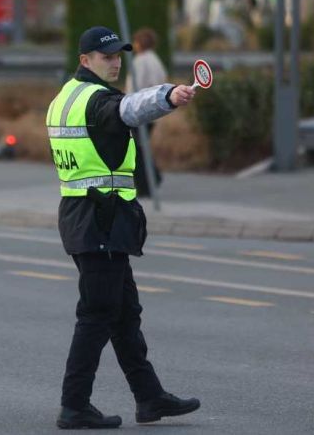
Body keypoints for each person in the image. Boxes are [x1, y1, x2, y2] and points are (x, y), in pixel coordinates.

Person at [48, 26, 200, 429]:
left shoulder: (65, 97)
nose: (115, 61)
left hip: (90, 218)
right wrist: (168, 95)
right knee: (98, 314)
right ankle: (74, 405)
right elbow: (129, 109)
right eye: (106, 56)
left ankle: (150, 398)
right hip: (100, 218)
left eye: (118, 55)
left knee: (123, 313)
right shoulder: (98, 101)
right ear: (85, 60)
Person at [127, 28, 168, 197]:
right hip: (152, 110)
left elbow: (135, 85)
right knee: (140, 147)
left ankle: (147, 183)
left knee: (136, 149)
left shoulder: (141, 61)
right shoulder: (155, 60)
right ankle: (153, 177)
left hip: (139, 110)